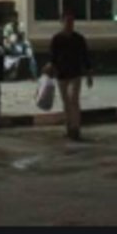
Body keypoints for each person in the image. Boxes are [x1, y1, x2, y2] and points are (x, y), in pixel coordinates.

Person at [49, 9, 94, 141]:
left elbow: (85, 57)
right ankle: (68, 127)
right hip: (61, 74)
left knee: (74, 99)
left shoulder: (78, 39)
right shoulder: (57, 39)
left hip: (75, 73)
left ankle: (76, 128)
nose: (70, 24)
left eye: (72, 21)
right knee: (66, 102)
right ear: (62, 22)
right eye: (67, 21)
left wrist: (89, 74)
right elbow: (53, 57)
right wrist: (52, 70)